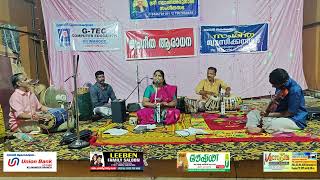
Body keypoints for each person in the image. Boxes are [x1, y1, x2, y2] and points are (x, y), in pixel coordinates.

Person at [246, 68, 308, 134]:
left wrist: (269, 115)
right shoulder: (280, 86)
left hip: (294, 119)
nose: (273, 86)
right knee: (253, 113)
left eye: (274, 84)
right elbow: (274, 103)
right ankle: (252, 126)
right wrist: (266, 109)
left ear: (283, 82)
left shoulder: (295, 90)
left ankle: (263, 128)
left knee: (268, 122)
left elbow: (290, 113)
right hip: (279, 115)